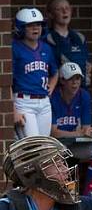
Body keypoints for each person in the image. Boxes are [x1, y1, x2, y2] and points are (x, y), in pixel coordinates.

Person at [49, 63, 92, 198]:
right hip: (57, 147)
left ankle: (88, 194)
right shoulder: (53, 97)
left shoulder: (84, 96)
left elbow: (86, 127)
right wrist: (79, 133)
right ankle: (65, 193)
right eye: (71, 79)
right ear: (62, 80)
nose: (75, 83)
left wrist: (87, 131)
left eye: (78, 79)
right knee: (61, 154)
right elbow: (53, 132)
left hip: (74, 145)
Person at [11, 8, 59, 139]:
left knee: (43, 145)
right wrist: (14, 110)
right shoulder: (14, 48)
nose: (35, 28)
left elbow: (55, 72)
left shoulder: (46, 48)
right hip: (23, 101)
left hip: (44, 103)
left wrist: (51, 87)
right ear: (21, 28)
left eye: (38, 25)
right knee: (33, 145)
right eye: (30, 25)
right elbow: (7, 82)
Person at [43, 0, 92, 88]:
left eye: (67, 8)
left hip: (80, 90)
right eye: (59, 9)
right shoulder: (46, 39)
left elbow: (88, 64)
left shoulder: (79, 37)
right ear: (50, 14)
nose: (64, 12)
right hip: (58, 91)